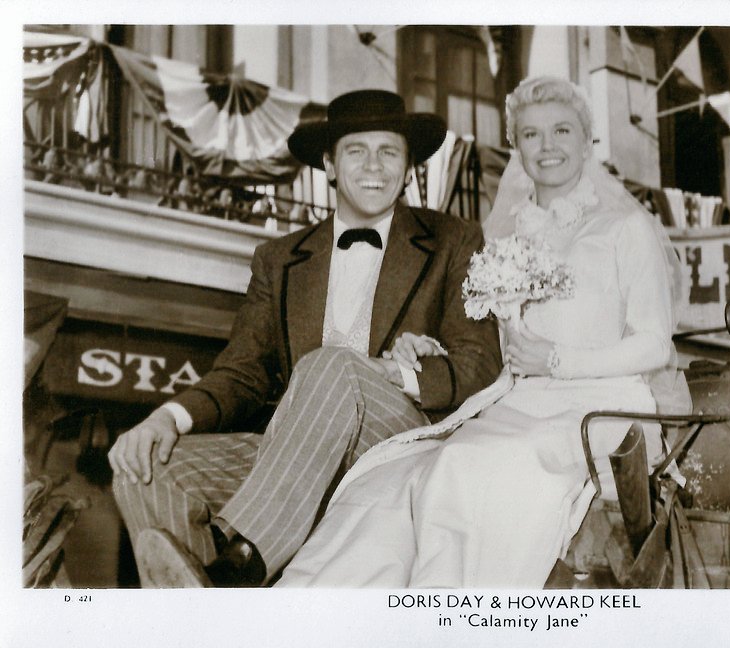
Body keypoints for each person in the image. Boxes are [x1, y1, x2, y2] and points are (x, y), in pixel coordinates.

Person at [277, 77, 688, 588]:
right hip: (516, 404)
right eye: (532, 135)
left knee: (473, 468)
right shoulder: (504, 235)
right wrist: (431, 347)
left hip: (603, 405)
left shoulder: (625, 227)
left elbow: (653, 343)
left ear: (588, 142)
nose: (548, 147)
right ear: (516, 146)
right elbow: (492, 340)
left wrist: (557, 362)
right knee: (407, 473)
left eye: (562, 131)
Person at [107, 90, 502, 587]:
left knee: (330, 363)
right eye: (357, 151)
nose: (374, 166)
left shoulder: (454, 240)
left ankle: (241, 568)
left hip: (397, 442)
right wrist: (165, 417)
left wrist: (398, 372)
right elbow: (242, 371)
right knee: (143, 467)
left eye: (390, 152)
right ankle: (198, 620)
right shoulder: (279, 258)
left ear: (408, 170)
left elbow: (480, 360)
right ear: (330, 165)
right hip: (296, 453)